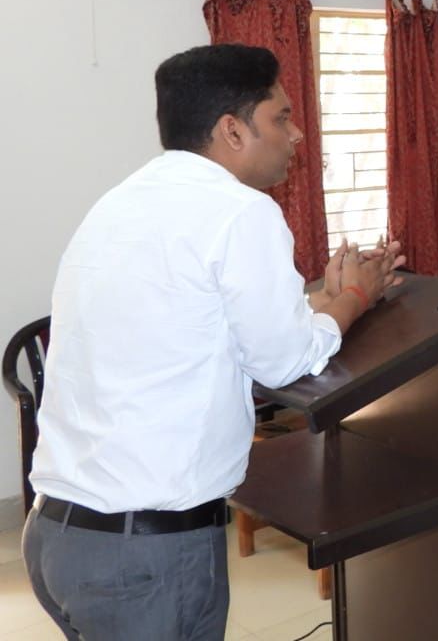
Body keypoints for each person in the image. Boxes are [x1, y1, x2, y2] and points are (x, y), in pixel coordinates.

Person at [23, 44, 401, 641]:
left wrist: (325, 300)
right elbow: (285, 360)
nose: (297, 134)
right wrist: (356, 295)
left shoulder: (121, 202)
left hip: (59, 538)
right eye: (281, 116)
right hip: (146, 557)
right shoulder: (239, 211)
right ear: (232, 129)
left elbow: (201, 321)